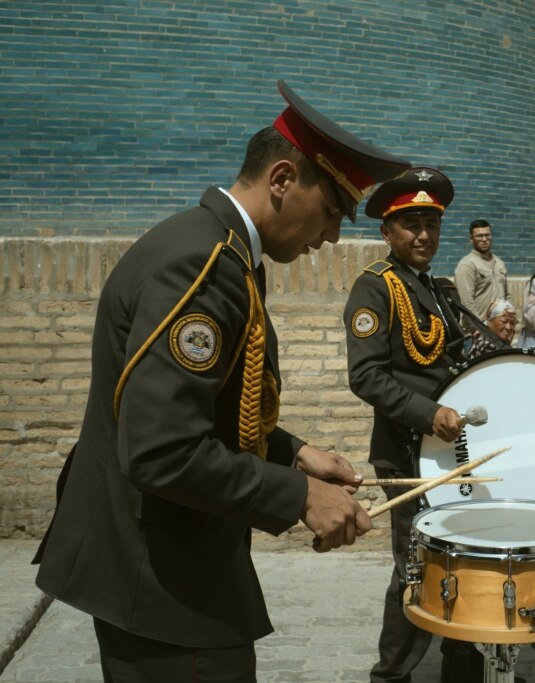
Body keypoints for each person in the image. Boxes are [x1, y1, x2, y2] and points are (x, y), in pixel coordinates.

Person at [31, 80, 406, 682]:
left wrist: (296, 452)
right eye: (333, 211)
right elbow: (162, 449)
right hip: (161, 581)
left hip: (165, 563)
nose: (334, 235)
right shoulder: (203, 267)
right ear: (281, 180)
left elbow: (203, 409)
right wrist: (300, 496)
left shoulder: (215, 248)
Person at [343, 167, 482, 683]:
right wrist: (430, 414)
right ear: (387, 231)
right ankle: (392, 675)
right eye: (410, 225)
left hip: (449, 449)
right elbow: (367, 377)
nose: (423, 236)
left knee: (465, 559)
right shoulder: (375, 288)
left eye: (431, 224)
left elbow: (452, 360)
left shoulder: (438, 289)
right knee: (417, 566)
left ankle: (463, 670)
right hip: (406, 450)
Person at [454, 219, 509, 323]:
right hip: (478, 330)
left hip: (499, 327)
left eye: (487, 235)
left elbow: (507, 295)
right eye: (479, 236)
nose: (484, 239)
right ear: (471, 239)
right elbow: (466, 302)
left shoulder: (499, 263)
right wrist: (481, 327)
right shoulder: (467, 265)